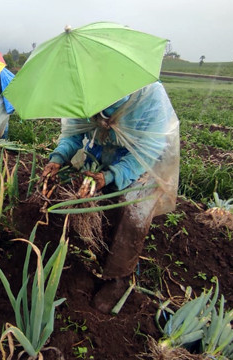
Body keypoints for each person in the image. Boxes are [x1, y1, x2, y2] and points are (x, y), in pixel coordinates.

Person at [41, 81, 180, 313]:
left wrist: (114, 174)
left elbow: (149, 148)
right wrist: (57, 158)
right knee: (97, 205)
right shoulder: (82, 90)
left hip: (143, 161)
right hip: (103, 154)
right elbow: (73, 134)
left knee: (130, 214)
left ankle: (119, 278)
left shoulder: (149, 96)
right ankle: (93, 257)